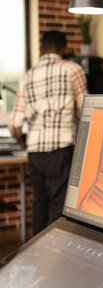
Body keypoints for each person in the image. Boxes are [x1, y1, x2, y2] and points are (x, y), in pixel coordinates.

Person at [8, 30, 88, 235]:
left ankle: (36, 256)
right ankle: (55, 257)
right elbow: (86, 111)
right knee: (59, 204)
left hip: (35, 152)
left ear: (42, 49)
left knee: (40, 202)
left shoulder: (28, 75)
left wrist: (25, 142)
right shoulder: (73, 69)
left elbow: (15, 124)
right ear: (63, 49)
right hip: (61, 148)